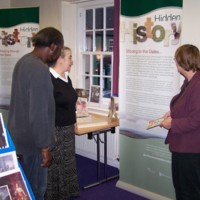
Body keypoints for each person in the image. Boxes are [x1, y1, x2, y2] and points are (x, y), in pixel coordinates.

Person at [7, 27, 64, 200]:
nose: (59, 55)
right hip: (35, 142)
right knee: (37, 189)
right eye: (60, 50)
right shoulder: (39, 69)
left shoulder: (23, 61)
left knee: (25, 187)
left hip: (21, 136)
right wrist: (44, 147)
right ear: (53, 46)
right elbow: (38, 112)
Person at [160, 44, 200, 200]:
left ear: (183, 62)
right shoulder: (190, 81)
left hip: (190, 150)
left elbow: (196, 120)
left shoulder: (198, 85)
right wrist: (173, 113)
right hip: (182, 146)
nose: (175, 63)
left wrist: (172, 124)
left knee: (189, 192)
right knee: (181, 188)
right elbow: (187, 108)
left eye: (176, 59)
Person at [45, 47, 80, 200]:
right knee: (56, 165)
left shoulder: (67, 78)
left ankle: (68, 192)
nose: (72, 61)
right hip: (55, 130)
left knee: (68, 162)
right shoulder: (48, 80)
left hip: (68, 129)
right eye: (70, 58)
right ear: (60, 59)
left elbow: (71, 103)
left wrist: (74, 120)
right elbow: (43, 108)